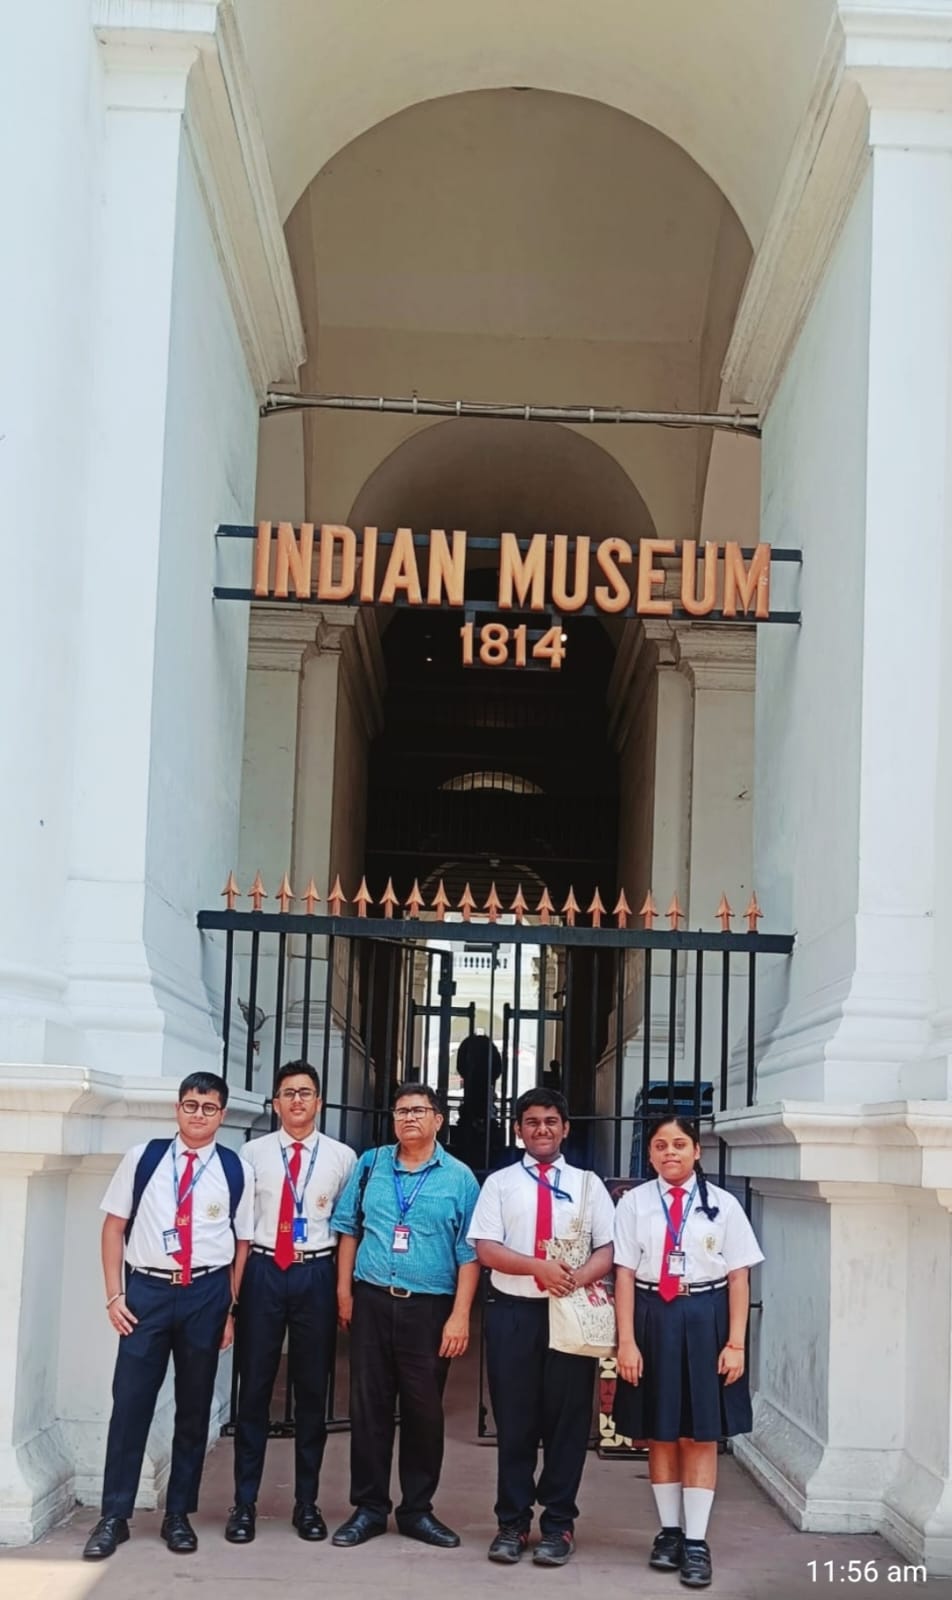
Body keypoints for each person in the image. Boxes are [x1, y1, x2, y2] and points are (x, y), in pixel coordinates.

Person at [83, 1072, 254, 1561]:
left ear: (222, 1115)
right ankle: (113, 1515)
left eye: (208, 1107)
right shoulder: (145, 1159)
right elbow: (114, 1227)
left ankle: (178, 1514)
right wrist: (115, 1295)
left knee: (194, 1406)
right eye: (190, 1104)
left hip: (205, 1292)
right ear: (177, 1108)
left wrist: (230, 1310)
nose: (198, 1114)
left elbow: (241, 1245)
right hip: (148, 1293)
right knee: (131, 1403)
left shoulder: (234, 1169)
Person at [611, 1115, 765, 1589]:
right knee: (661, 1429)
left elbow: (739, 1276)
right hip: (652, 1313)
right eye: (660, 1145)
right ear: (651, 1153)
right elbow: (622, 1274)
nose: (670, 1153)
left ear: (697, 1151)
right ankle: (669, 1532)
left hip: (706, 1315)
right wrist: (628, 1342)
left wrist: (736, 1343)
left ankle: (696, 1541)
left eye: (680, 1144)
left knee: (699, 1431)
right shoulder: (635, 1204)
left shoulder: (724, 1205)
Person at [467, 1086, 615, 1568]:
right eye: (532, 1122)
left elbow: (608, 1249)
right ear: (518, 1129)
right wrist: (538, 1268)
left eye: (551, 1121)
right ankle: (511, 1522)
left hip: (569, 1313)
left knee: (567, 1423)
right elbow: (486, 1248)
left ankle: (558, 1524)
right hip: (515, 1313)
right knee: (515, 1421)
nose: (542, 1130)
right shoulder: (501, 1184)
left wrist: (572, 1280)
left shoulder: (589, 1184)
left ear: (566, 1128)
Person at [329, 1081, 481, 1549]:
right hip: (373, 1299)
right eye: (400, 1111)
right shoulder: (370, 1164)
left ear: (439, 1118)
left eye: (419, 1110)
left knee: (423, 1411)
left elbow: (470, 1253)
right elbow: (348, 1228)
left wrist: (460, 1317)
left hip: (430, 1308)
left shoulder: (459, 1178)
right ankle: (369, 1508)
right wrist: (344, 1291)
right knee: (369, 1407)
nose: (408, 1118)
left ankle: (417, 1510)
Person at [225, 1060, 357, 1546]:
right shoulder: (251, 1153)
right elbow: (239, 1227)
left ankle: (307, 1503)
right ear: (275, 1103)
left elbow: (347, 1229)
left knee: (310, 1390)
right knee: (254, 1388)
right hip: (263, 1270)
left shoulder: (343, 1157)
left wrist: (343, 1289)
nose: (297, 1100)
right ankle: (244, 1504)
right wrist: (234, 1293)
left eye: (305, 1092)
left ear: (319, 1101)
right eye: (287, 1093)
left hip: (314, 1273)